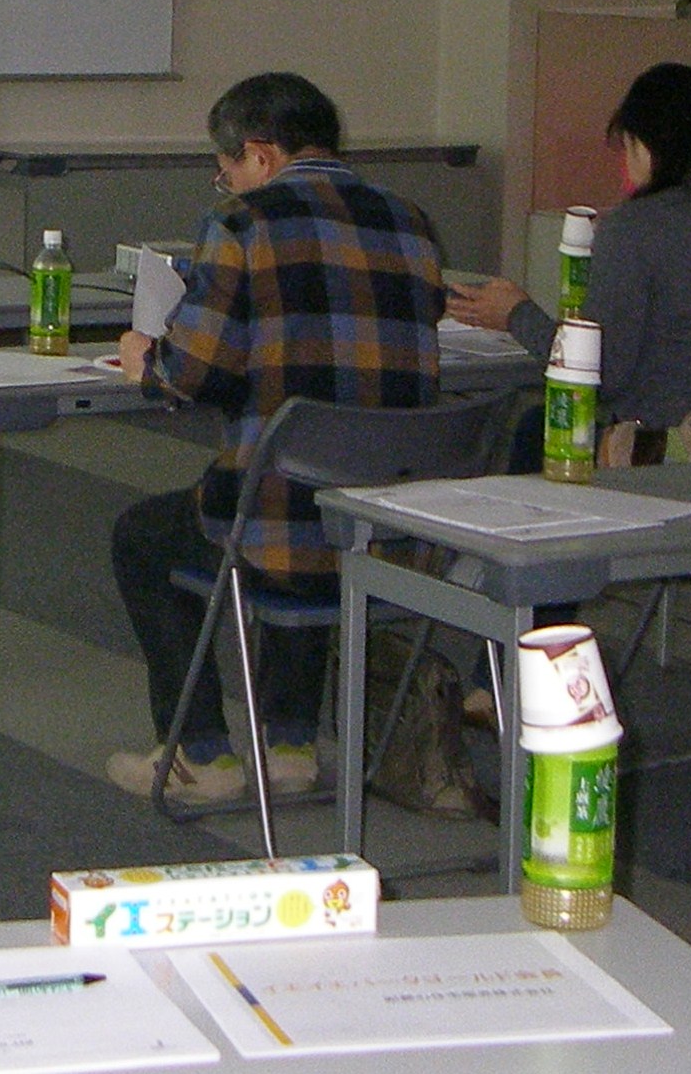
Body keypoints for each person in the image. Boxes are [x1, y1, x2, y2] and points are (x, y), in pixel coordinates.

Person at [103, 72, 445, 805]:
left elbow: (190, 375)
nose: (224, 182)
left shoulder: (241, 223)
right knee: (319, 481)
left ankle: (200, 752)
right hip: (395, 534)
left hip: (281, 530)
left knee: (152, 534)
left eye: (225, 167)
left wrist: (143, 358)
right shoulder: (411, 220)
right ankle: (289, 745)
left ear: (259, 155)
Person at [449, 61, 691, 465]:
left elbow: (599, 373)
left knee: (530, 428)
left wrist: (516, 314)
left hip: (670, 453)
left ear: (645, 146)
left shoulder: (636, 227)